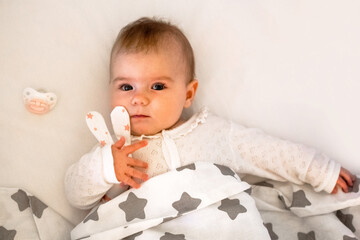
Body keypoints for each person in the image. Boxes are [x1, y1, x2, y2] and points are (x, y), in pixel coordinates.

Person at [65, 17, 356, 210]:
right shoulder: (112, 151)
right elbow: (75, 196)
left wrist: (319, 170)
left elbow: (266, 151)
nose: (139, 99)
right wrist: (105, 168)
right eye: (126, 86)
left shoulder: (210, 133)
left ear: (188, 94)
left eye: (157, 86)